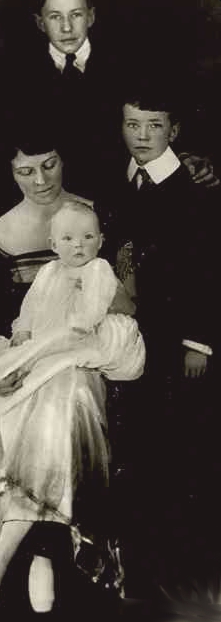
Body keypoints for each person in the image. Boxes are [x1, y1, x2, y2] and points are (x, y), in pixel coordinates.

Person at [0, 135, 132, 619]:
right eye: (25, 170)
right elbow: (11, 315)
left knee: (67, 407)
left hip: (86, 365)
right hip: (43, 363)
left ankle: (34, 548)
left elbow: (111, 309)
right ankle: (28, 547)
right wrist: (13, 344)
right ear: (9, 171)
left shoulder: (95, 233)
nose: (40, 180)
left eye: (49, 165)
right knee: (33, 411)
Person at [109, 88, 218, 597]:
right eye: (134, 124)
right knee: (143, 444)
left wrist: (200, 342)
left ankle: (183, 568)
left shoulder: (194, 189)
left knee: (178, 448)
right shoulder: (127, 177)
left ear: (174, 131)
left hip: (180, 338)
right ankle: (144, 562)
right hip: (140, 333)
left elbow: (208, 268)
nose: (143, 136)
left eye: (155, 126)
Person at [4, 0, 219, 199]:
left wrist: (186, 154)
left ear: (91, 17)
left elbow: (166, 113)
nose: (67, 28)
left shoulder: (130, 62)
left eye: (76, 15)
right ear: (40, 23)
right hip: (52, 197)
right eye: (55, 17)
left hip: (121, 191)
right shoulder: (16, 75)